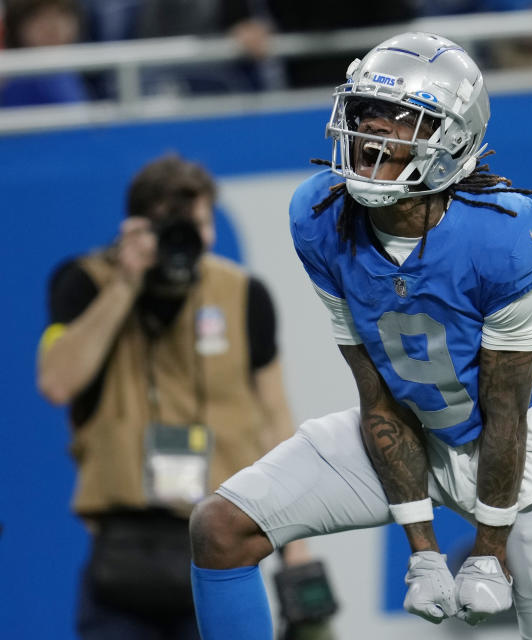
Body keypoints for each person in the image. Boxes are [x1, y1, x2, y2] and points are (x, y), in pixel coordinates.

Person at [188, 31, 532, 640]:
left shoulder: (505, 237)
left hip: (523, 450)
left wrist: (488, 549)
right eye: (364, 113)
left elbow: (504, 410)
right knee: (220, 527)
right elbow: (376, 391)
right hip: (408, 419)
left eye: (399, 118)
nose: (370, 134)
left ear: (450, 138)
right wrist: (423, 548)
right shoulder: (321, 217)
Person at [37, 153, 324, 639]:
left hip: (224, 541)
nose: (190, 240)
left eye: (202, 225)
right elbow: (57, 383)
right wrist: (127, 282)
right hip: (123, 556)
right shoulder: (88, 283)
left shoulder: (243, 294)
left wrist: (297, 550)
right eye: (174, 226)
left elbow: (276, 419)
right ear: (136, 227)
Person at [0, 0, 90, 107]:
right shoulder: (13, 83)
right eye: (39, 17)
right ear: (18, 26)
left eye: (62, 14)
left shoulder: (74, 73)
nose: (53, 27)